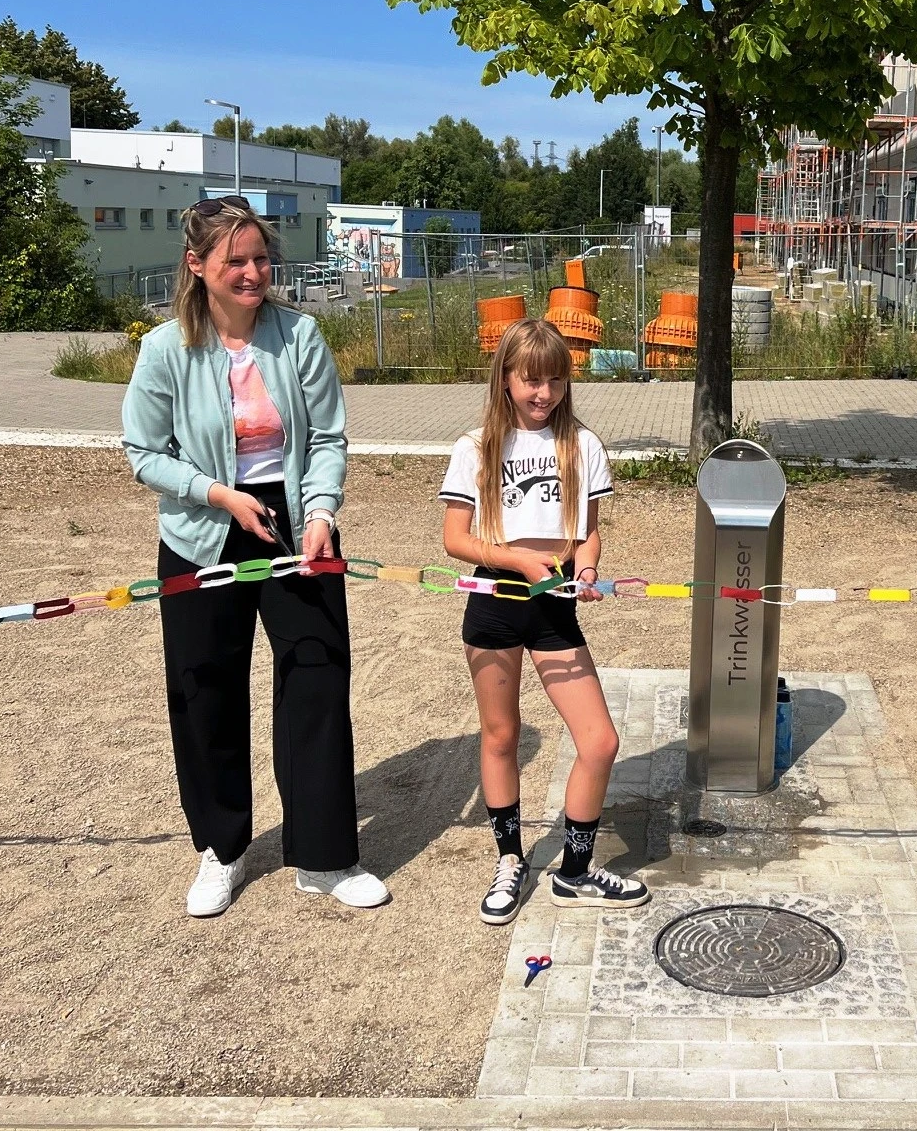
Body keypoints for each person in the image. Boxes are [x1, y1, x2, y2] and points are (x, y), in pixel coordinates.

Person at [122, 196, 388, 917]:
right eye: (235, 260)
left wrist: (322, 513)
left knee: (317, 675)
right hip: (202, 525)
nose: (252, 273)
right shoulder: (163, 350)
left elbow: (327, 438)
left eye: (260, 258)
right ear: (197, 265)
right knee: (204, 683)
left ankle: (326, 856)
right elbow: (143, 452)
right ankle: (222, 847)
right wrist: (216, 495)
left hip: (297, 520)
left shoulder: (299, 336)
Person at [439, 319, 649, 925]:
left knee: (600, 740)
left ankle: (574, 872)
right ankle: (510, 860)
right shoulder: (474, 446)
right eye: (531, 380)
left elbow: (588, 531)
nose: (544, 394)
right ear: (505, 379)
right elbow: (455, 539)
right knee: (501, 736)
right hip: (495, 603)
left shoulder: (582, 444)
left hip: (553, 606)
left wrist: (585, 568)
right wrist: (516, 561)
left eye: (556, 380)